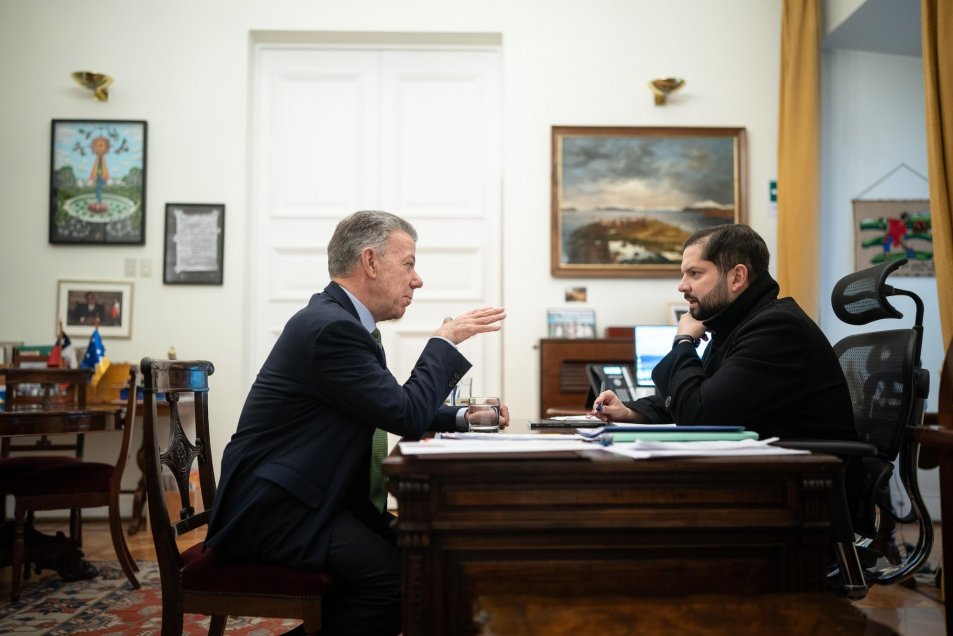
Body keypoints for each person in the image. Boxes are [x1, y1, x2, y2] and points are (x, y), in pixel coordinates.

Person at [205, 210, 507, 636]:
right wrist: (443, 341)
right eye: (409, 264)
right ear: (370, 262)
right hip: (275, 511)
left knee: (426, 562)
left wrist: (463, 416)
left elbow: (386, 406)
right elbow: (404, 413)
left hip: (312, 498)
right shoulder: (332, 329)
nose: (417, 280)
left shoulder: (338, 321)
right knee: (398, 584)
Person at [591, 223, 855, 443]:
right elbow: (698, 395)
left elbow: (700, 417)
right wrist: (629, 412)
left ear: (737, 277)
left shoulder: (777, 330)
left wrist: (683, 341)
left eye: (695, 273)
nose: (682, 286)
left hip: (803, 487)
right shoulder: (737, 323)